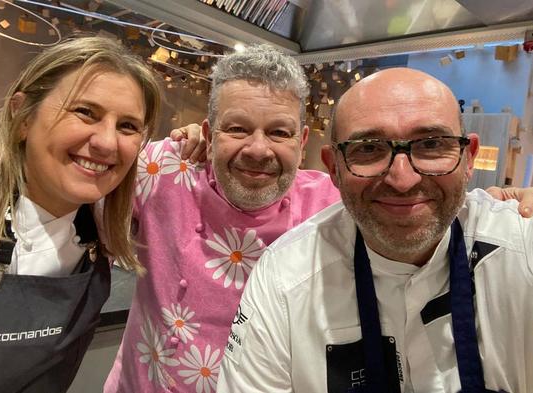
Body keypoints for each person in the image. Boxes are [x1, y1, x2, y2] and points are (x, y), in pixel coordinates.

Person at [104, 45, 533, 392]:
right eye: (236, 129)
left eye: (279, 131)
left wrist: (497, 202)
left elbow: (417, 200)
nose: (258, 149)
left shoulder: (336, 198)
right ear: (210, 132)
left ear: (304, 141)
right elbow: (80, 185)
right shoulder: (164, 168)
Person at [216, 68, 533, 392]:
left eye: (432, 143)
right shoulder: (284, 279)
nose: (403, 179)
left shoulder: (520, 248)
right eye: (368, 148)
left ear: (469, 159)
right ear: (334, 168)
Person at [0, 36, 160, 393]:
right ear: (22, 115)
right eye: (85, 112)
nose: (106, 142)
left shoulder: (98, 228)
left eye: (127, 126)